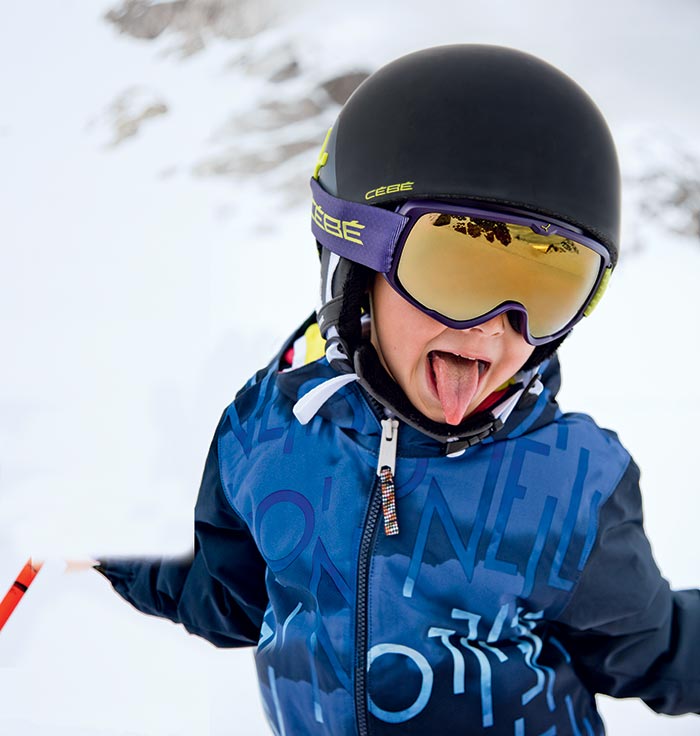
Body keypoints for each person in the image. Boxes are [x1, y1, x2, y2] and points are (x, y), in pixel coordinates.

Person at [93, 45, 700, 735]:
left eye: (547, 286)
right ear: (355, 261)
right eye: (457, 270)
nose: (494, 330)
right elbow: (229, 596)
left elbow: (651, 646)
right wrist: (110, 552)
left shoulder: (572, 482)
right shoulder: (269, 429)